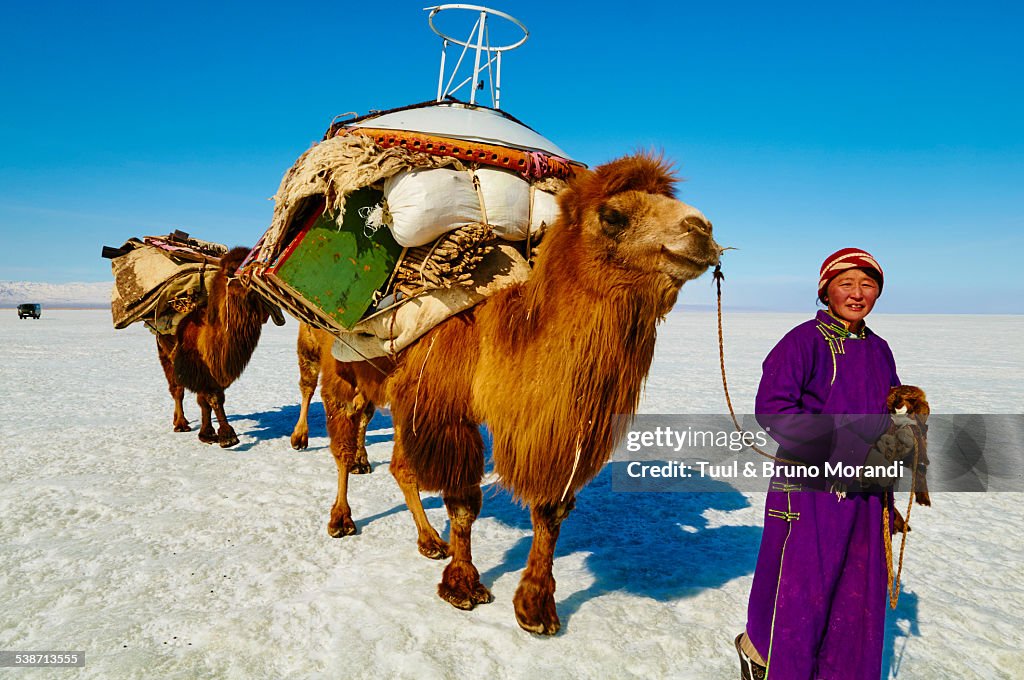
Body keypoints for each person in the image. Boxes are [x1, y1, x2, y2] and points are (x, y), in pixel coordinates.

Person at [735, 248, 917, 680]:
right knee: (800, 587)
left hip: (866, 492)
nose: (857, 294)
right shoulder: (802, 341)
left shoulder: (879, 349)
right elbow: (775, 409)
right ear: (826, 290)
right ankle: (765, 658)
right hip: (811, 488)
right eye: (846, 283)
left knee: (855, 588)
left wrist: (902, 424)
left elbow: (884, 412)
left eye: (867, 284)